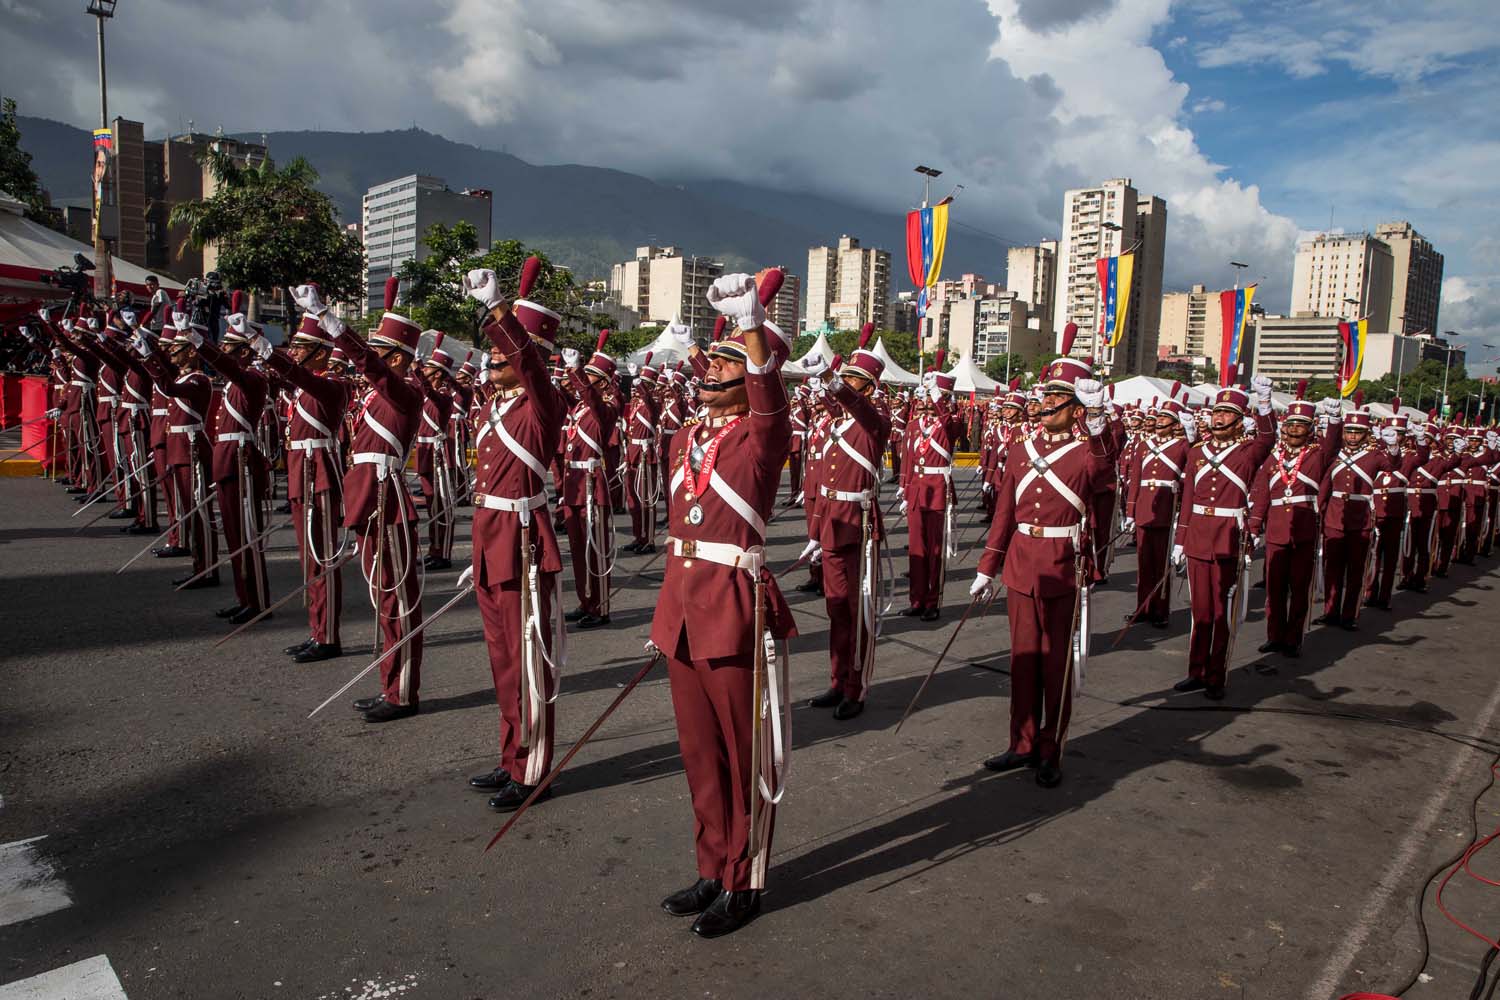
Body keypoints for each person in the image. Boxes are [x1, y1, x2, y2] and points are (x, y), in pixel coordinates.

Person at [652, 271, 794, 939]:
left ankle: (746, 878)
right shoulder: (685, 439)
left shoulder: (760, 437)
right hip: (682, 609)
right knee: (698, 752)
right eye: (712, 359)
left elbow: (771, 409)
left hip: (735, 608)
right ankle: (712, 865)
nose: (711, 368)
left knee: (743, 754)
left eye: (728, 361)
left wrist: (751, 324)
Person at [970, 349, 1115, 788]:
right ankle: (1022, 742)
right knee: (1023, 660)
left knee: (1056, 666)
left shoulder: (1086, 451)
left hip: (1060, 567)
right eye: (1047, 393)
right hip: (1020, 565)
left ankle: (1052, 748)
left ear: (1074, 408)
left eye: (1059, 396)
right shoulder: (1020, 450)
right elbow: (1005, 516)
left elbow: (1105, 470)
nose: (1048, 402)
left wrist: (1098, 425)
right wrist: (987, 567)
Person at [294, 278, 426, 723]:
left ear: (399, 359)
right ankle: (391, 684)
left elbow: (373, 368)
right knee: (381, 598)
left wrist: (331, 323)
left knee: (396, 600)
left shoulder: (406, 394)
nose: (374, 359)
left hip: (388, 501)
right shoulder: (372, 394)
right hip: (368, 499)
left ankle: (402, 691)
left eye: (382, 352)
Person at [461, 262, 567, 811]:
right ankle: (512, 758)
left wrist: (501, 309)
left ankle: (535, 768)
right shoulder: (492, 408)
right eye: (491, 355)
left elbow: (529, 363)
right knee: (503, 661)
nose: (491, 363)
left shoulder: (542, 405)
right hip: (491, 540)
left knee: (529, 659)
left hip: (523, 542)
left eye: (499, 357)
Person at [804, 326, 890, 721]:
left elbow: (858, 407)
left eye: (853, 381)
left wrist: (833, 381)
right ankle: (838, 680)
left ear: (868, 389)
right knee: (836, 609)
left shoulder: (875, 423)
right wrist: (815, 532)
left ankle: (856, 687)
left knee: (859, 612)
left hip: (860, 526)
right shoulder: (835, 427)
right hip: (833, 525)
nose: (843, 388)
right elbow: (824, 485)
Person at [1171, 374, 1275, 699]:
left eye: (1228, 413)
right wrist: (1179, 539)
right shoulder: (1197, 452)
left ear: (1240, 420)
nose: (1220, 417)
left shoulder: (1247, 451)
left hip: (1228, 536)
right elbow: (1187, 498)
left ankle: (1216, 674)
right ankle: (1196, 670)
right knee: (1199, 611)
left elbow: (1268, 438)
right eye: (1217, 412)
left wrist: (1265, 404)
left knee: (1221, 611)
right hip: (1198, 536)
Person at [259, 306, 349, 663]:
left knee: (322, 558)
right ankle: (317, 630)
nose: (293, 352)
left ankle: (328, 636)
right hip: (302, 474)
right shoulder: (303, 387)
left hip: (320, 475)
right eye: (293, 347)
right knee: (308, 560)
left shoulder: (332, 385)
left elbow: (303, 379)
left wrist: (268, 352)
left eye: (301, 346)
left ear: (321, 352)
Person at [186, 305, 272, 623]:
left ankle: (258, 601)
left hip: (242, 462)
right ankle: (244, 596)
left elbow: (227, 366)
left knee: (248, 535)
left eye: (228, 348)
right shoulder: (233, 385)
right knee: (234, 537)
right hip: (227, 462)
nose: (223, 353)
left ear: (244, 352)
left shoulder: (252, 379)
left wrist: (195, 339)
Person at [1247, 397, 1340, 655]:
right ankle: (1274, 635)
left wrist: (1334, 421)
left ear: (1310, 429)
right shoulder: (1272, 458)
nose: (1294, 429)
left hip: (1303, 529)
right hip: (1277, 529)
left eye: (1301, 425)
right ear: (1283, 428)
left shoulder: (1317, 455)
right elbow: (1263, 495)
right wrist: (1254, 527)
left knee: (1299, 587)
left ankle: (1293, 638)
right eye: (1291, 425)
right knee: (1275, 588)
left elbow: (1333, 446)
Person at [138, 313, 219, 589]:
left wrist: (150, 358)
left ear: (191, 353)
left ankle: (207, 569)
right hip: (180, 450)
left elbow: (170, 387)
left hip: (192, 450)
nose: (172, 352)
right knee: (189, 510)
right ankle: (200, 565)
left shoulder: (199, 381)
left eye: (177, 349)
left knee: (199, 511)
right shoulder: (188, 378)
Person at [559, 335, 619, 629]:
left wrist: (577, 372)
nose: (585, 382)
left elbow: (592, 399)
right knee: (578, 548)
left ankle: (601, 606)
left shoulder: (606, 406)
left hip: (593, 484)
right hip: (574, 482)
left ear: (604, 383)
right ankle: (586, 600)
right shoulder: (581, 407)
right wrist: (569, 373)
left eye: (591, 378)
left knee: (595, 547)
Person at [1316, 408, 1392, 630]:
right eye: (1349, 431)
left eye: (1357, 432)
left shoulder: (1375, 456)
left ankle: (1349, 615)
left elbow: (1393, 467)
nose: (1352, 436)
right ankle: (1330, 611)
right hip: (1335, 516)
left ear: (1366, 434)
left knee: (1355, 570)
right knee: (1333, 568)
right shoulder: (1334, 456)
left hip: (1361, 519)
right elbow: (1325, 487)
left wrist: (1393, 447)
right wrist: (1317, 509)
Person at [1122, 399, 1193, 628]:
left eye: (1165, 419)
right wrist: (1130, 511)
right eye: (1159, 417)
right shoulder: (1145, 444)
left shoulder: (1182, 446)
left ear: (1174, 424)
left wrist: (1179, 486)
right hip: (1144, 507)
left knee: (1161, 564)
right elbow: (1135, 480)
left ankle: (1160, 611)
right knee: (1144, 563)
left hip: (1165, 507)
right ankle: (1143, 607)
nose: (1160, 421)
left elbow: (1193, 473)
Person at [900, 367, 964, 621]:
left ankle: (932, 601)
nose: (929, 399)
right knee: (916, 549)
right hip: (917, 491)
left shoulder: (952, 423)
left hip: (938, 490)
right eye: (928, 394)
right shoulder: (915, 424)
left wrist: (939, 396)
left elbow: (949, 423)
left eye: (936, 395)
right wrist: (904, 488)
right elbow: (907, 458)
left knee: (935, 551)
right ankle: (916, 599)